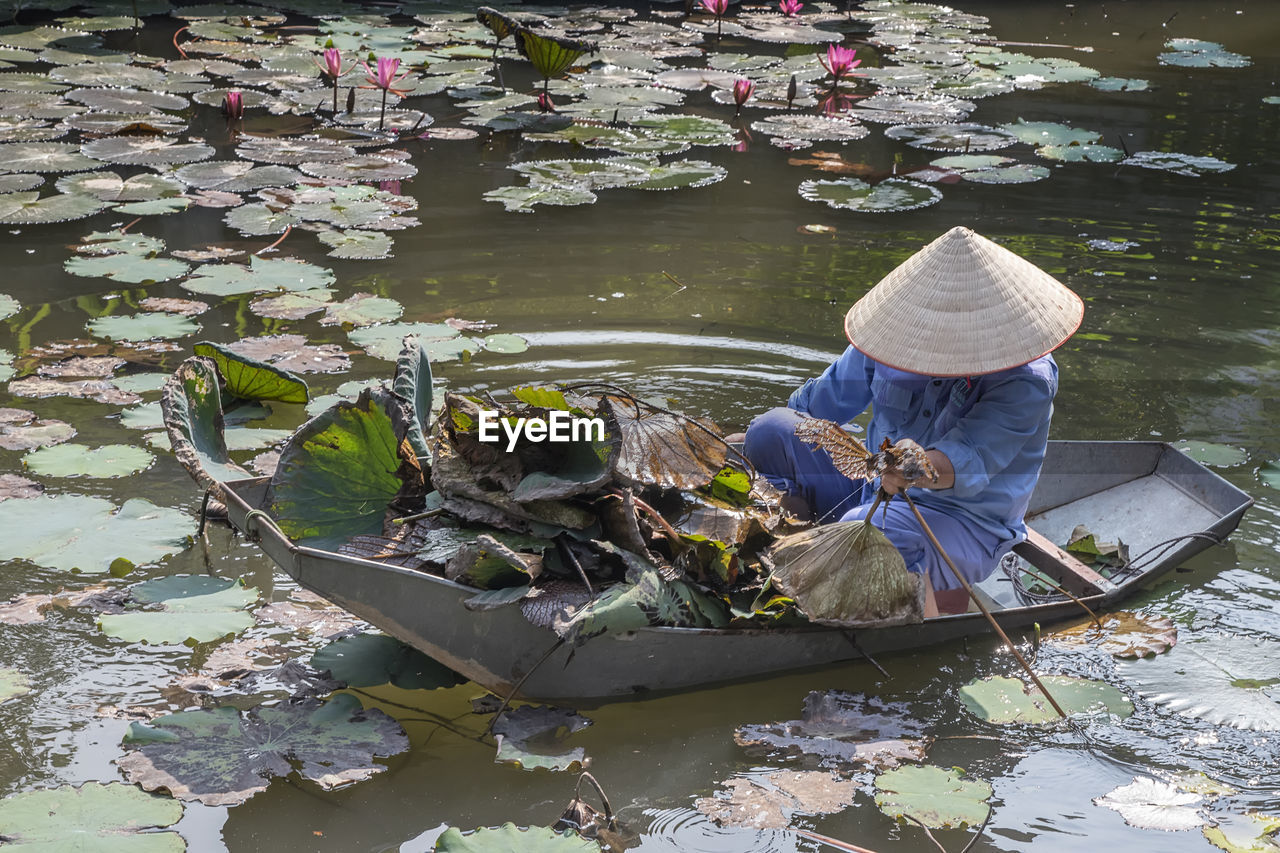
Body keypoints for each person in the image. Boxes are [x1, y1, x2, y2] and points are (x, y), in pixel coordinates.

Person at [743, 226, 1084, 617]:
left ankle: (914, 617)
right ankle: (800, 547)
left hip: (963, 521)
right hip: (872, 489)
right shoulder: (890, 337)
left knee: (871, 535)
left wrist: (914, 467)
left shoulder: (1026, 379)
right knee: (770, 432)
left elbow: (968, 459)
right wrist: (741, 438)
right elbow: (815, 406)